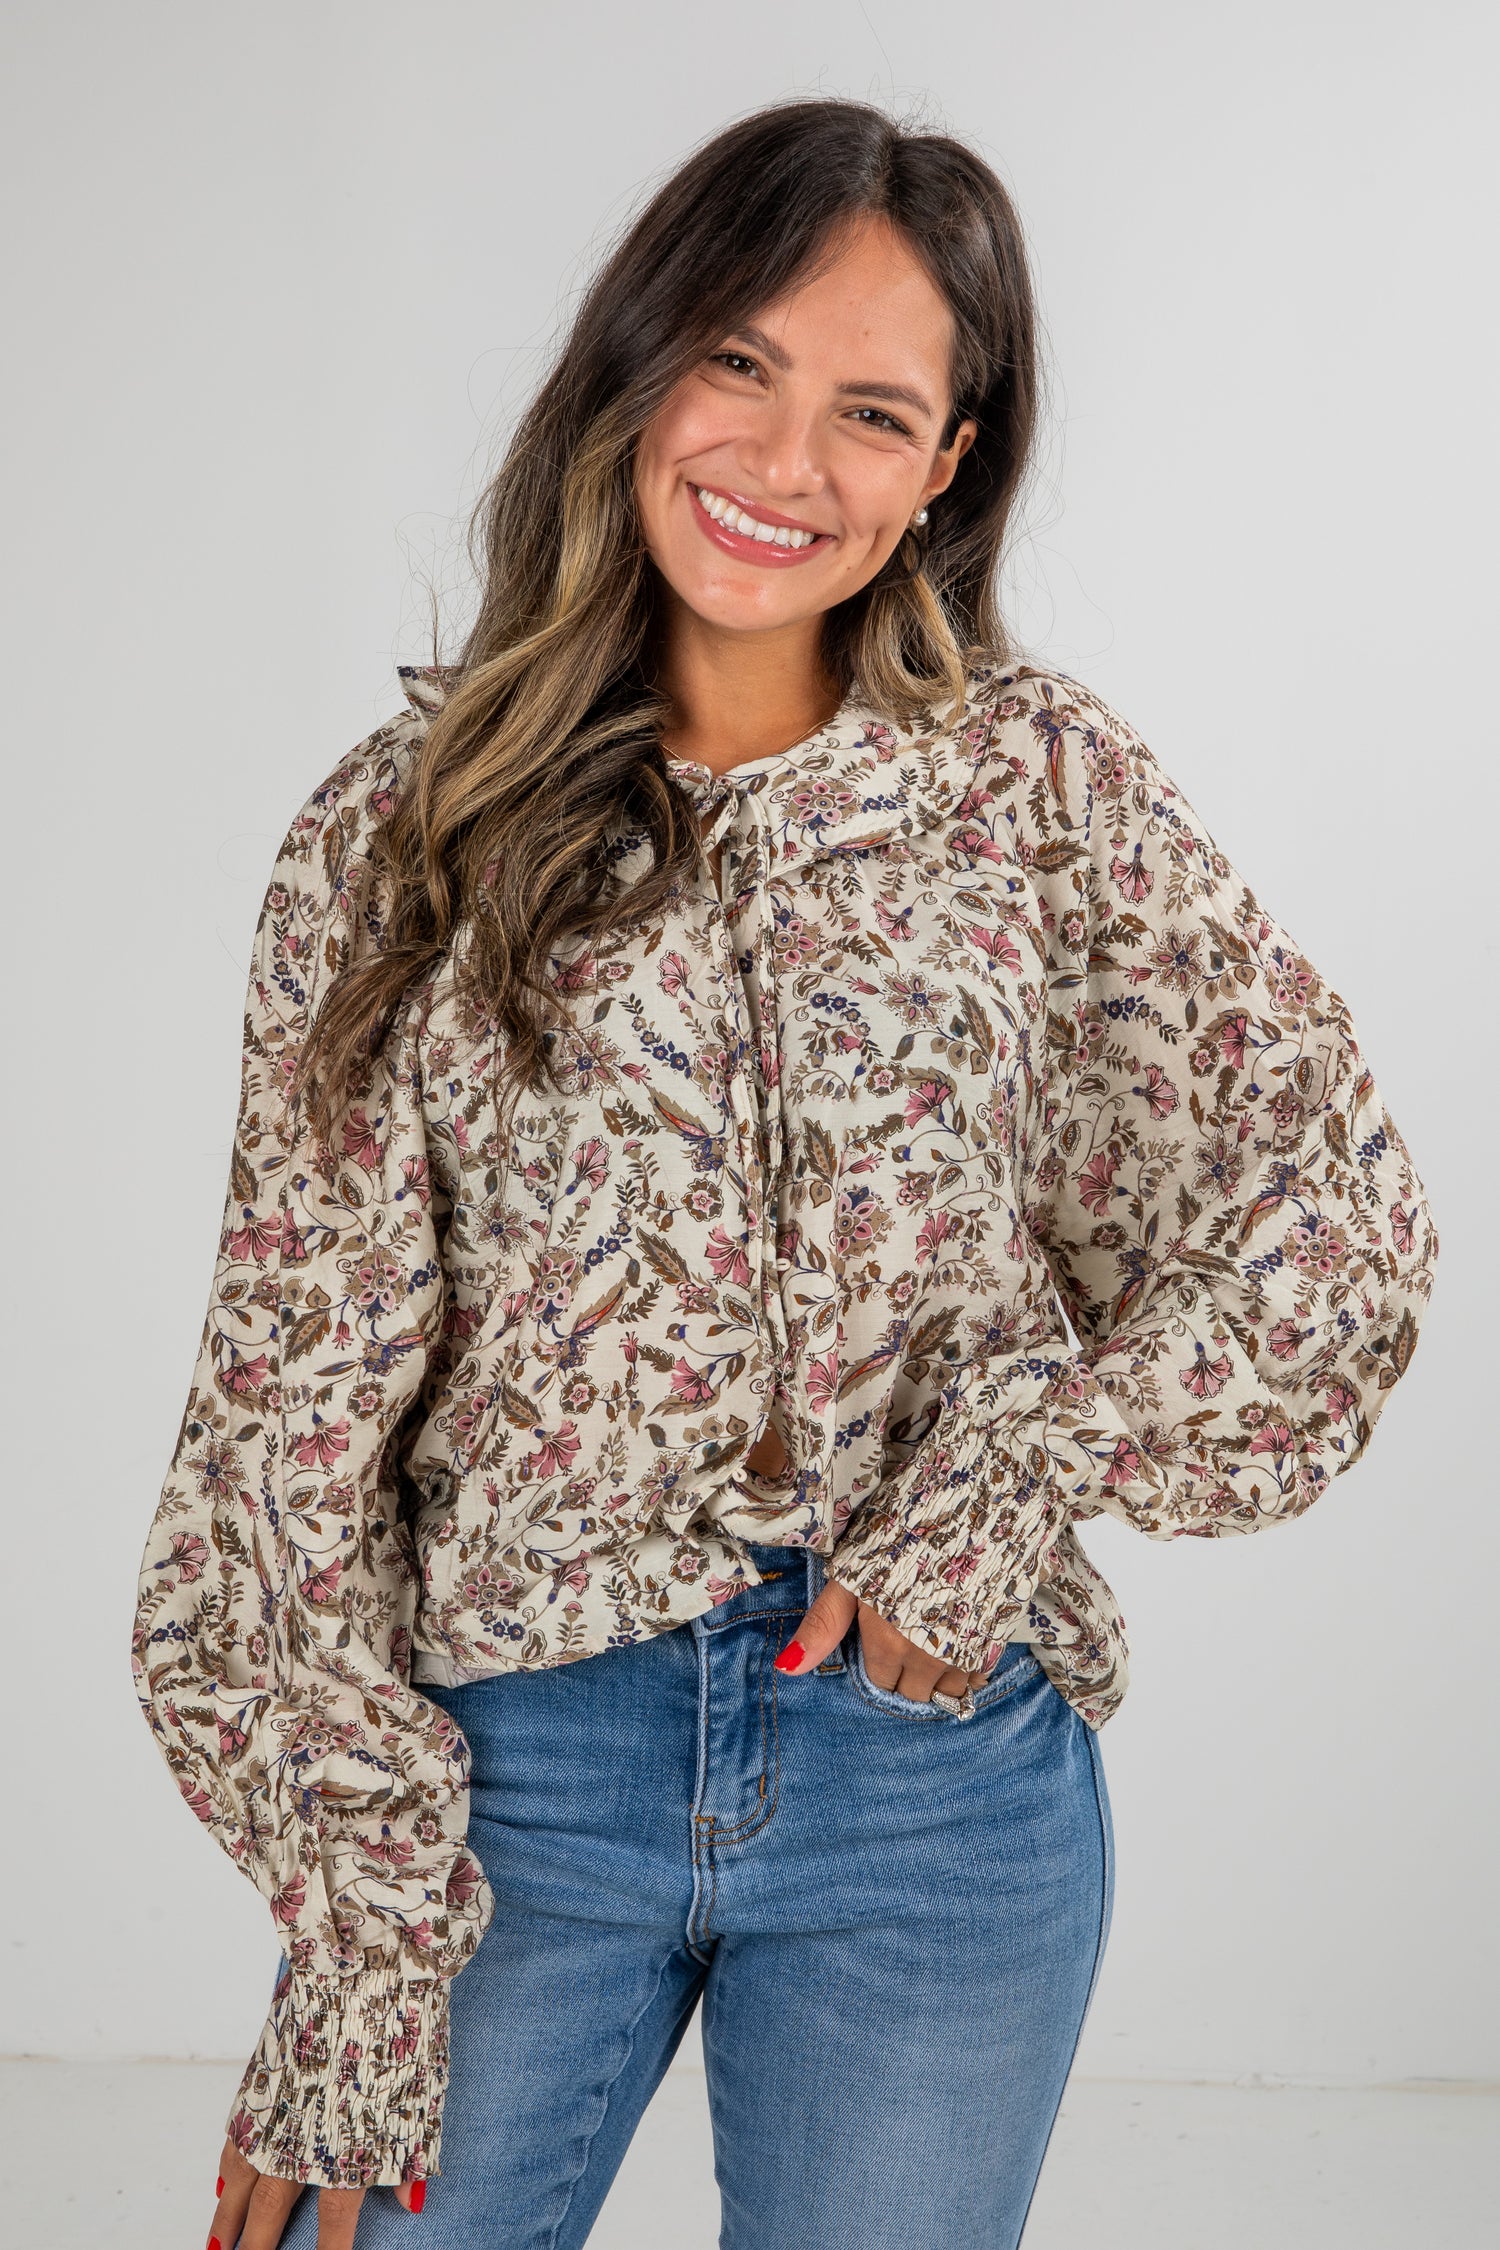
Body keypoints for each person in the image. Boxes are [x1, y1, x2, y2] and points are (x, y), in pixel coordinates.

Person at [132, 97, 1437, 2250]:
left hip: (931, 1780)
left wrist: (1019, 1461)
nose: (781, 459)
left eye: (872, 409)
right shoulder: (406, 829)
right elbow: (284, 1425)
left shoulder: (1038, 789)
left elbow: (1329, 1218)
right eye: (736, 362)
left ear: (949, 465)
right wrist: (360, 1926)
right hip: (501, 1782)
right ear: (637, 367)